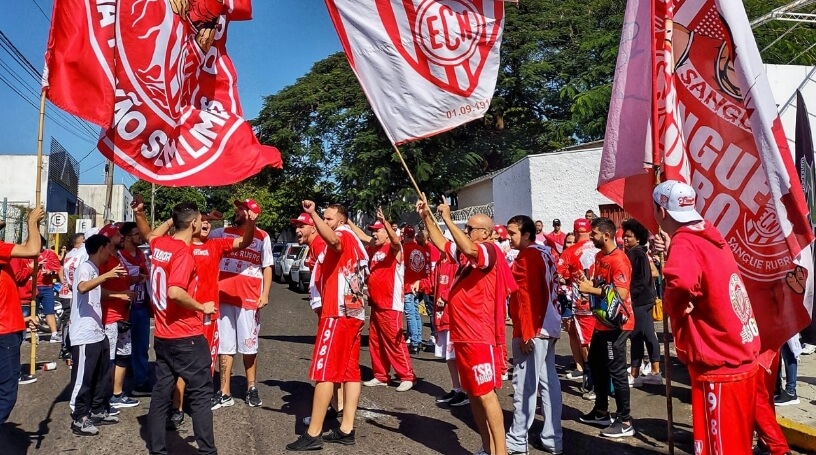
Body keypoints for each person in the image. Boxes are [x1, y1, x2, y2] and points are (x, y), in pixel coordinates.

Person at [652, 180, 761, 454]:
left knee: (721, 449)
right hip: (739, 351)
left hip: (719, 361)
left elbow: (682, 284)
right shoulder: (707, 233)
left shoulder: (686, 242)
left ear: (662, 212)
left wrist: (673, 306)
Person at [418, 198, 515, 455]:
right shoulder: (465, 254)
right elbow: (443, 243)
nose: (467, 232)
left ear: (485, 232)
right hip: (462, 333)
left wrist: (449, 219)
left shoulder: (489, 250)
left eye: (471, 228)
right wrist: (427, 217)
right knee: (473, 392)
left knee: (485, 394)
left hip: (479, 334)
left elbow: (471, 250)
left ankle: (501, 451)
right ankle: (487, 447)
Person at [287, 201, 368, 451]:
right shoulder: (353, 239)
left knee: (325, 372)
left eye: (329, 218)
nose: (324, 221)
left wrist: (312, 214)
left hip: (338, 312)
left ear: (341, 221)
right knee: (350, 371)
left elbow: (333, 241)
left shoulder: (343, 235)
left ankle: (313, 434)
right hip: (353, 311)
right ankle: (346, 428)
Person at [144, 202, 217, 455]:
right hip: (186, 335)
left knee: (161, 392)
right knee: (200, 395)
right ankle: (208, 451)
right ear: (195, 222)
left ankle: (157, 449)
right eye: (199, 219)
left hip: (163, 335)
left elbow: (152, 235)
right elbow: (175, 291)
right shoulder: (183, 253)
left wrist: (171, 221)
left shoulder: (160, 244)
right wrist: (202, 306)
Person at [505, 215, 563, 455]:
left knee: (525, 385)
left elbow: (526, 297)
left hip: (535, 327)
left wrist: (527, 332)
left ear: (527, 234)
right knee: (548, 383)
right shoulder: (545, 253)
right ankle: (552, 438)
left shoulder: (528, 256)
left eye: (512, 233)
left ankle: (518, 439)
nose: (507, 237)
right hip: (548, 324)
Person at [210, 199, 272, 409]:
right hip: (223, 296)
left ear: (252, 214)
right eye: (237, 208)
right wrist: (207, 219)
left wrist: (265, 294)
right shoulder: (223, 232)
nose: (236, 211)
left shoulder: (263, 236)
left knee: (249, 345)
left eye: (241, 209)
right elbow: (198, 237)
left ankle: (251, 387)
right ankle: (224, 391)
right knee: (225, 345)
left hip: (249, 298)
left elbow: (267, 266)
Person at [577, 217, 635, 438]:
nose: (591, 237)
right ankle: (601, 411)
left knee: (617, 371)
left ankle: (625, 420)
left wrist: (590, 290)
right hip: (602, 323)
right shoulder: (600, 257)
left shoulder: (619, 260)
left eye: (594, 234)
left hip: (618, 325)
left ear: (607, 235)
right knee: (596, 365)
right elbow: (599, 285)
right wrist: (586, 284)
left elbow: (620, 294)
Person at [68, 234, 128, 435]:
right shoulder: (85, 267)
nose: (110, 252)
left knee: (101, 375)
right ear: (101, 248)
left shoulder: (94, 269)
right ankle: (79, 417)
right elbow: (83, 287)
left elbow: (96, 291)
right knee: (83, 377)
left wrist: (119, 294)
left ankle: (97, 410)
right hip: (83, 333)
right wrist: (107, 275)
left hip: (97, 331)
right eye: (108, 248)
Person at [349, 209, 415, 391]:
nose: (374, 234)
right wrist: (347, 220)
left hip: (390, 304)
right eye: (374, 231)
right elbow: (361, 235)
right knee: (375, 341)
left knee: (394, 340)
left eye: (378, 230)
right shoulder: (374, 247)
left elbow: (395, 240)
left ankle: (407, 375)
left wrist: (384, 221)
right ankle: (381, 375)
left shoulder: (395, 248)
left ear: (387, 231)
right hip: (376, 303)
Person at [291, 212, 344, 425]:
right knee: (334, 363)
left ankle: (328, 412)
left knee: (327, 364)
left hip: (331, 311)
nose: (297, 230)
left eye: (302, 226)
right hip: (328, 310)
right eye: (296, 226)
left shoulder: (321, 245)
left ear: (314, 228)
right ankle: (336, 405)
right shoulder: (314, 247)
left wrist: (324, 308)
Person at [0, 207, 43, 425]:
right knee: (6, 394)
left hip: (8, 327)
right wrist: (32, 223)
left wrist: (21, 319)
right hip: (4, 334)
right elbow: (33, 249)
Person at [98, 223, 141, 410]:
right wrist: (120, 294)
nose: (121, 236)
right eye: (117, 234)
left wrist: (134, 280)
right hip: (109, 317)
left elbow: (120, 281)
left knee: (123, 355)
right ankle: (102, 398)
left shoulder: (118, 257)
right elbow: (96, 289)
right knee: (108, 359)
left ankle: (117, 394)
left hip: (123, 314)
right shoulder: (104, 260)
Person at [557, 219, 598, 395]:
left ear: (574, 231)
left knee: (585, 342)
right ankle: (598, 378)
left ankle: (592, 379)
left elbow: (558, 274)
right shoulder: (601, 247)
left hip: (583, 304)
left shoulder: (570, 252)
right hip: (603, 301)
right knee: (600, 340)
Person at [621, 219, 662, 386]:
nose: (625, 239)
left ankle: (635, 373)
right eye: (624, 236)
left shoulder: (634, 254)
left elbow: (639, 280)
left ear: (638, 239)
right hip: (646, 299)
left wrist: (630, 297)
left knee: (637, 336)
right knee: (648, 334)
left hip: (639, 301)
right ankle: (655, 371)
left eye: (629, 236)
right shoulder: (641, 253)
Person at [431, 244, 468, 407]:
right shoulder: (441, 262)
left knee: (457, 356)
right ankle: (456, 388)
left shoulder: (457, 263)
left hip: (453, 315)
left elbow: (460, 284)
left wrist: (446, 296)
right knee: (449, 357)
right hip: (441, 316)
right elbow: (432, 282)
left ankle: (466, 391)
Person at [117, 221, 151, 395]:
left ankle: (141, 380)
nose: (141, 237)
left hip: (142, 306)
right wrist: (136, 278)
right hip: (125, 308)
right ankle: (126, 381)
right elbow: (116, 280)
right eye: (137, 234)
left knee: (142, 345)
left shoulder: (142, 255)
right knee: (123, 347)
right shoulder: (118, 256)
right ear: (128, 237)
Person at [401, 224, 429, 354]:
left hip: (408, 285)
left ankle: (414, 341)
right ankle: (417, 339)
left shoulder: (403, 249)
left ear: (405, 235)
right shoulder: (421, 250)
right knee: (416, 313)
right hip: (419, 284)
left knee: (410, 314)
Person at [36, 236, 62, 343]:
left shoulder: (50, 254)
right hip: (33, 286)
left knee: (50, 311)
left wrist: (50, 272)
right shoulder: (28, 254)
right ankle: (35, 334)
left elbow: (57, 268)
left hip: (47, 286)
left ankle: (54, 334)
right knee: (33, 312)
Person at [775, 335, 801, 407]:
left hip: (787, 325)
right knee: (777, 350)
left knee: (789, 350)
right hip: (777, 325)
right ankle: (777, 388)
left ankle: (791, 392)